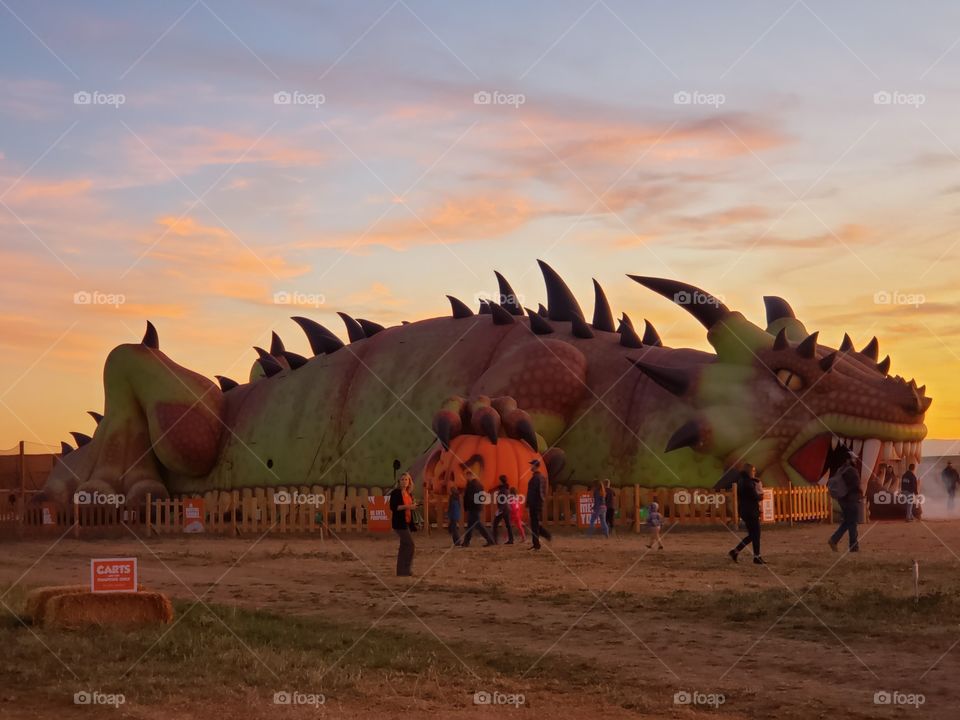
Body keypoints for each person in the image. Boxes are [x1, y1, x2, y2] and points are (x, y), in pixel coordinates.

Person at [727, 463, 765, 564]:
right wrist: (761, 495)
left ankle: (736, 551)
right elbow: (755, 496)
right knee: (755, 534)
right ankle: (756, 556)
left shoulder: (741, 481)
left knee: (753, 535)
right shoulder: (748, 483)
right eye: (753, 471)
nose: (754, 472)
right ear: (749, 471)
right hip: (751, 511)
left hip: (745, 510)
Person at [828, 453, 862, 552]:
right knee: (852, 523)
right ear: (848, 460)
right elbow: (856, 486)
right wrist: (860, 495)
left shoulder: (840, 470)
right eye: (853, 459)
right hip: (851, 500)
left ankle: (834, 540)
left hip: (842, 500)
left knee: (847, 522)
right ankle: (853, 546)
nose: (855, 461)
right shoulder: (852, 471)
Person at [389, 472, 418, 576]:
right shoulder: (395, 493)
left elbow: (409, 507)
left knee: (404, 546)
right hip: (399, 523)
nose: (404, 482)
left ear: (409, 481)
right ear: (399, 481)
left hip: (407, 522)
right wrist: (408, 507)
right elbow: (394, 507)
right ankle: (406, 569)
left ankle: (401, 571)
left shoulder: (409, 494)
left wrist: (413, 506)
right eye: (402, 480)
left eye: (406, 479)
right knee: (410, 545)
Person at [461, 470, 495, 547]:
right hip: (475, 507)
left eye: (466, 476)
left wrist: (469, 505)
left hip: (474, 507)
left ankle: (490, 540)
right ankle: (466, 542)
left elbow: (470, 497)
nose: (465, 478)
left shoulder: (473, 485)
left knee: (478, 524)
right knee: (470, 525)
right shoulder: (477, 484)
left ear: (469, 475)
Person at [526, 459, 552, 550]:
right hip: (538, 503)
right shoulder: (541, 477)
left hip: (535, 504)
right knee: (535, 524)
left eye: (532, 465)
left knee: (534, 525)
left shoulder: (536, 478)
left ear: (535, 466)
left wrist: (529, 503)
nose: (530, 467)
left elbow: (532, 493)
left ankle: (537, 544)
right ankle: (545, 535)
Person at [491, 474, 514, 544]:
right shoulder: (505, 488)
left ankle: (495, 540)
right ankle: (511, 539)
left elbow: (503, 501)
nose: (498, 482)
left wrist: (499, 510)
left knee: (495, 524)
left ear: (501, 481)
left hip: (503, 509)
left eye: (499, 480)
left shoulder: (503, 490)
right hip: (506, 509)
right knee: (508, 525)